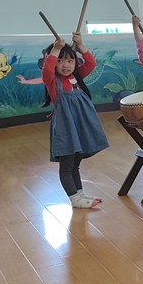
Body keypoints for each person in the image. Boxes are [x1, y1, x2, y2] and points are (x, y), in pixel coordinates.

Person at [41, 33, 110, 209]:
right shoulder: (52, 81)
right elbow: (47, 70)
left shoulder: (76, 78)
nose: (66, 65)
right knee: (67, 165)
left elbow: (91, 63)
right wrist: (56, 49)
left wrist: (80, 45)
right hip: (66, 130)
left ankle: (79, 195)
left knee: (75, 165)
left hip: (80, 128)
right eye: (60, 61)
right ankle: (75, 199)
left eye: (70, 61)